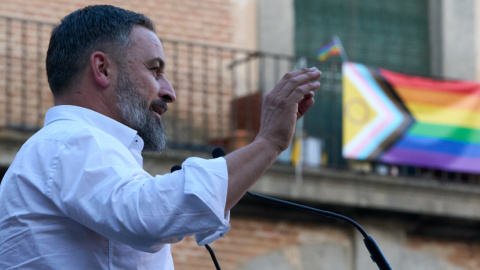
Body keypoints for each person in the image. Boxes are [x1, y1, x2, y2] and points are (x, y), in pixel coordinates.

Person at [0, 5, 321, 269]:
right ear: (103, 69)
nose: (169, 92)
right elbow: (147, 213)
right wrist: (268, 143)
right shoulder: (66, 143)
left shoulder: (79, 149)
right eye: (155, 70)